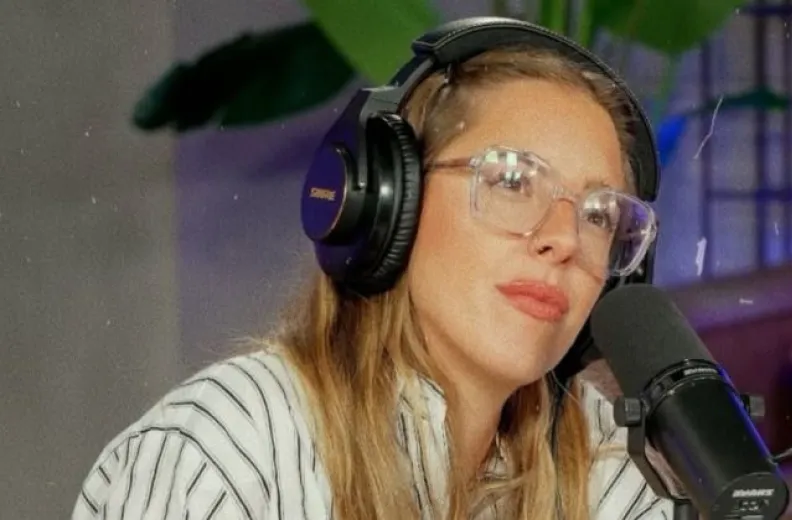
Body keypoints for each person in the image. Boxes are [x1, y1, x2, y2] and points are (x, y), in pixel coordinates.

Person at [71, 18, 671, 520]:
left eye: (600, 215)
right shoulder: (225, 459)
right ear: (389, 200)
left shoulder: (612, 468)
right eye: (512, 180)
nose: (565, 239)